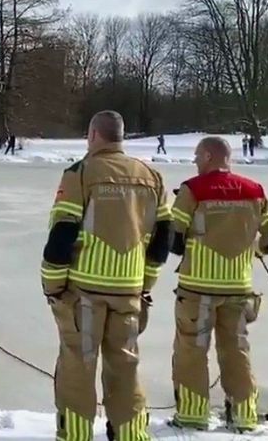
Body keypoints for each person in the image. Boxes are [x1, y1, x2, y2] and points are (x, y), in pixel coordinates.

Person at [42, 110, 173, 441]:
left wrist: (53, 286)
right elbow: (164, 239)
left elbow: (63, 232)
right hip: (129, 290)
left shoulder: (80, 173)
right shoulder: (152, 176)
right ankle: (129, 433)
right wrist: (146, 282)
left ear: (92, 135)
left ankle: (75, 434)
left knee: (78, 364)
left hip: (84, 291)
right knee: (125, 365)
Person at [167, 136, 268, 431]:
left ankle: (192, 415)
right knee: (236, 351)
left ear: (208, 156)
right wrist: (252, 247)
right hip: (239, 287)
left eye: (197, 156)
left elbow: (173, 240)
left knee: (192, 351)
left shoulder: (193, 189)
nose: (195, 161)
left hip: (196, 287)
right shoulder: (255, 190)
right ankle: (244, 416)